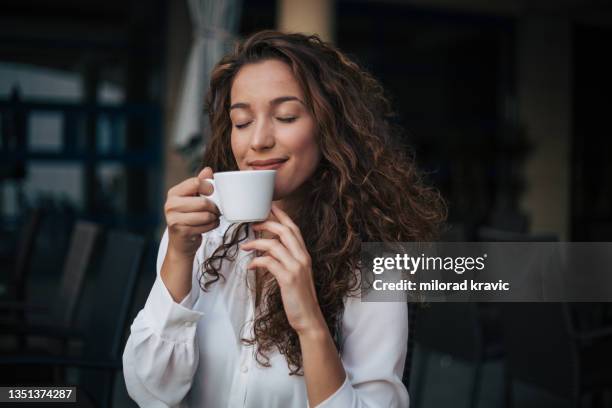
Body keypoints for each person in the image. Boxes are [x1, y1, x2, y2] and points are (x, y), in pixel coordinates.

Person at [123, 30, 446, 408]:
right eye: (241, 122)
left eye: (286, 116)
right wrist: (178, 254)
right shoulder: (202, 237)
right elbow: (148, 391)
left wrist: (309, 320)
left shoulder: (372, 267)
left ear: (329, 127)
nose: (258, 140)